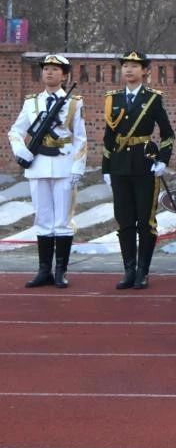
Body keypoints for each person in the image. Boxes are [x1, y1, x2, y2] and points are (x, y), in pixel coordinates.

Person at [9, 54, 87, 289]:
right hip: (38, 164)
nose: (49, 72)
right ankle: (44, 271)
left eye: (55, 69)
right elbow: (15, 131)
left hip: (64, 165)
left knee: (62, 221)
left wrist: (78, 167)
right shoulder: (32, 102)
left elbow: (80, 138)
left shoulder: (74, 103)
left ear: (64, 75)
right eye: (46, 69)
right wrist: (21, 150)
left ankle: (61, 271)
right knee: (43, 219)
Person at [102, 50, 174, 290]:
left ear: (144, 71)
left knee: (145, 221)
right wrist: (106, 168)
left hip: (144, 164)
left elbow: (168, 134)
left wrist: (162, 160)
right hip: (119, 165)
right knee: (124, 221)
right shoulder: (113, 99)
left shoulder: (152, 99)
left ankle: (143, 271)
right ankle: (129, 270)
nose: (129, 69)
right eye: (125, 65)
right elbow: (109, 137)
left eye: (134, 66)